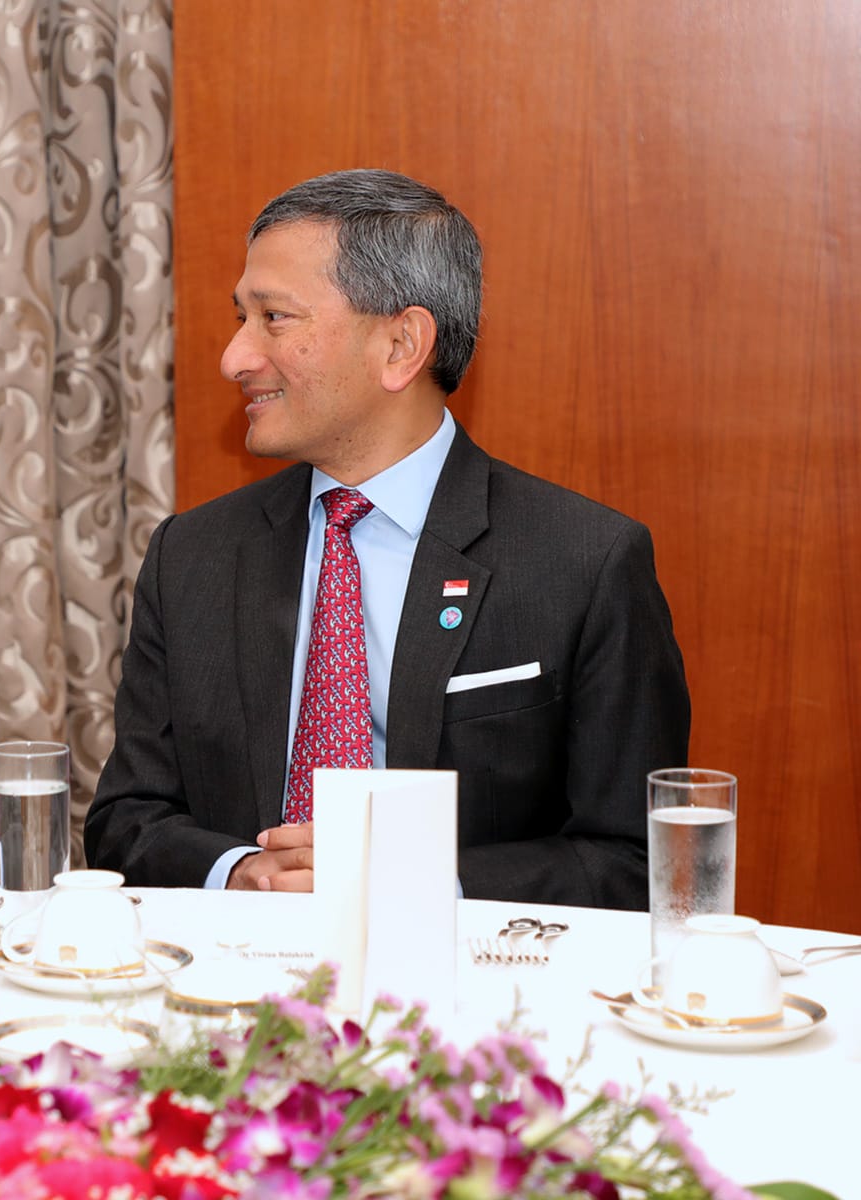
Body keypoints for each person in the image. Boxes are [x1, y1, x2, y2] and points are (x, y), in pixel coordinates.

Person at [84, 169, 687, 909]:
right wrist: (244, 871)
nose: (234, 358)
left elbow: (636, 860)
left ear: (401, 344)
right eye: (240, 317)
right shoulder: (193, 556)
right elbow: (125, 821)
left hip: (474, 994)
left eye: (274, 318)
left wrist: (415, 882)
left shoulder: (584, 562)